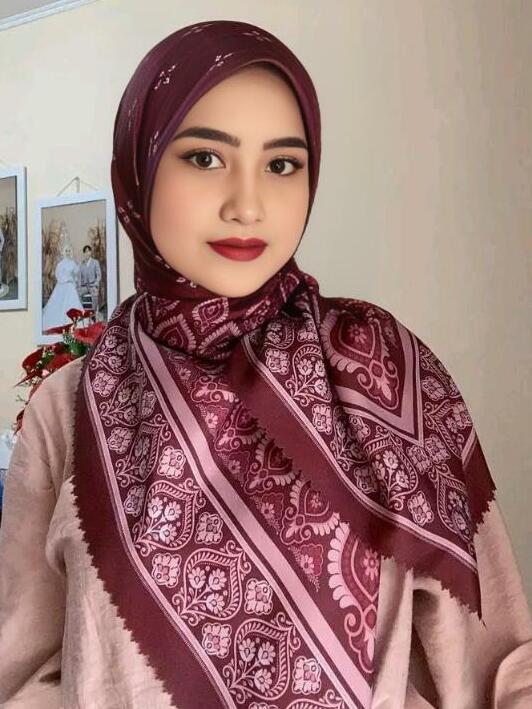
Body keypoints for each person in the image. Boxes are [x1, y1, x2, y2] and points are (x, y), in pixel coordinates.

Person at [0, 19, 531, 709]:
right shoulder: (69, 407)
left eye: (282, 165)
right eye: (205, 158)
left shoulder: (380, 371)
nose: (248, 205)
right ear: (138, 168)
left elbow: (498, 660)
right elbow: (23, 674)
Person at [41, 242, 83, 332]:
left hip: (70, 286)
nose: (68, 253)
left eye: (69, 251)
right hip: (62, 285)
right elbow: (58, 275)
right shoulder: (60, 264)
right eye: (66, 251)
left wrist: (78, 265)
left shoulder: (72, 263)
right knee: (60, 303)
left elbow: (76, 272)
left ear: (70, 252)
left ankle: (73, 320)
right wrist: (66, 280)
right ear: (64, 252)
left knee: (72, 301)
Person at [77, 244, 102, 315]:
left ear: (90, 252)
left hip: (93, 285)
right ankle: (82, 313)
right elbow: (79, 277)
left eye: (88, 251)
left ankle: (93, 314)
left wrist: (96, 284)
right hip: (85, 286)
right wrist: (79, 286)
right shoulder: (82, 264)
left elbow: (99, 275)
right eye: (85, 252)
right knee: (77, 294)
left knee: (95, 295)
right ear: (84, 253)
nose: (87, 253)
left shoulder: (95, 262)